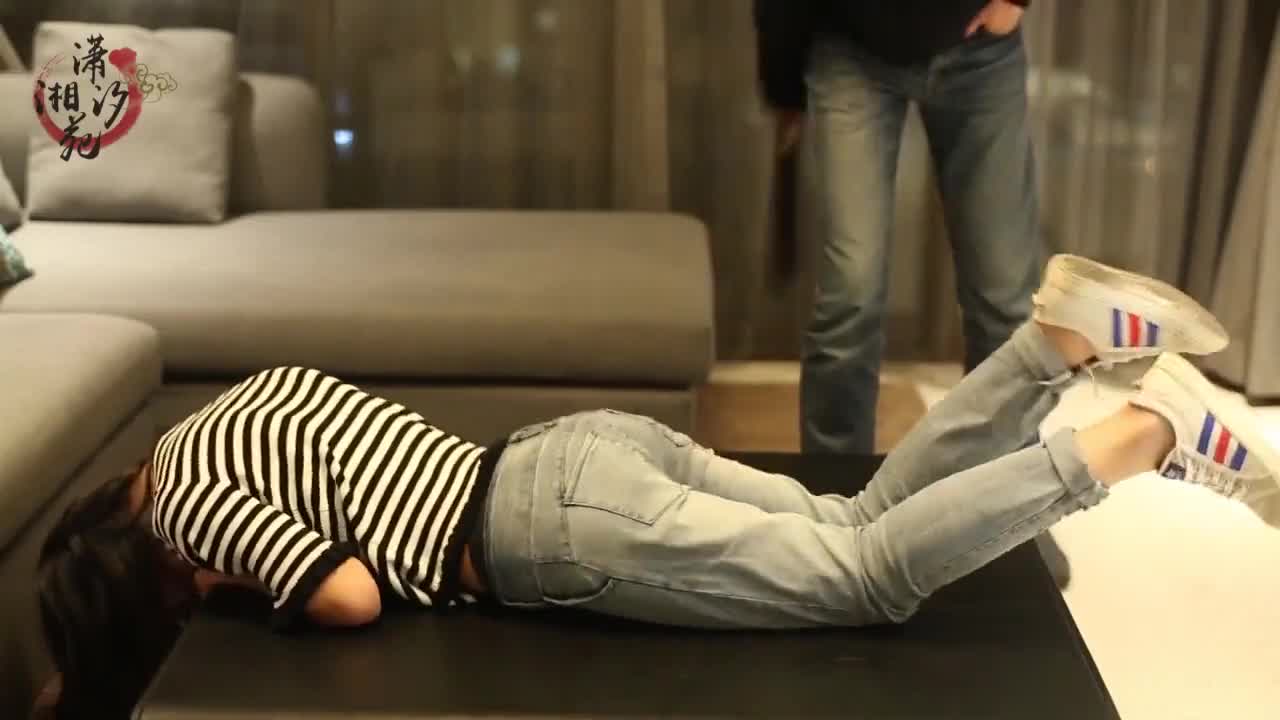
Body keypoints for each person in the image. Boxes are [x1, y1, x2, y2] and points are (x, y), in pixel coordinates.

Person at [37, 255, 1279, 720]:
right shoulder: (233, 403)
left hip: (542, 533)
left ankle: (1136, 436)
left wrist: (241, 588)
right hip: (570, 452)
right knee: (851, 518)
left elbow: (350, 594)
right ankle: (1051, 344)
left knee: (864, 579)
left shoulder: (189, 512)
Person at [754, 0, 1040, 454]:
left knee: (1003, 301)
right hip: (850, 48)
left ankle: (1002, 485)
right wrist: (784, 82)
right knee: (850, 297)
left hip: (982, 53)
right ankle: (835, 485)